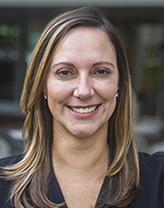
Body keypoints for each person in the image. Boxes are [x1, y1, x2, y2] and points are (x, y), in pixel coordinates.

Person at [0, 6, 164, 208]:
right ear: (43, 85)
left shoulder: (159, 181)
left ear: (119, 82)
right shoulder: (2, 184)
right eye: (65, 72)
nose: (84, 91)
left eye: (101, 71)